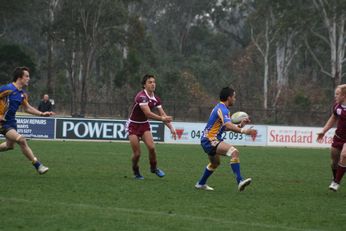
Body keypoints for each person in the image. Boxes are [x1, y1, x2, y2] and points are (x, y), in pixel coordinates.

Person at [195, 87, 257, 191]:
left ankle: (201, 183)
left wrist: (240, 126)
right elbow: (228, 125)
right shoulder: (223, 109)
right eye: (234, 97)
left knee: (215, 163)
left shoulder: (219, 108)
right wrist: (244, 131)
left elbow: (223, 128)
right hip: (210, 140)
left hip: (207, 139)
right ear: (229, 98)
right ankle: (240, 181)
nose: (235, 99)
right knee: (234, 152)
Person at [0, 67, 54, 174]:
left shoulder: (22, 94)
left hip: (11, 122)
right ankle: (38, 165)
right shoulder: (7, 88)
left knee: (9, 146)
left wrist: (42, 114)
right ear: (20, 77)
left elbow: (27, 108)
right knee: (21, 140)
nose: (29, 78)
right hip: (2, 122)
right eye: (27, 76)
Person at [126, 74, 176, 179]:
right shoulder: (141, 97)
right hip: (133, 125)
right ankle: (136, 171)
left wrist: (171, 128)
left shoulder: (156, 99)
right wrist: (162, 119)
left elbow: (163, 115)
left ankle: (154, 168)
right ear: (144, 85)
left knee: (152, 148)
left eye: (154, 82)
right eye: (150, 82)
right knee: (137, 154)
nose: (153, 84)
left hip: (144, 125)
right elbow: (148, 113)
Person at [317, 84, 346, 191]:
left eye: (337, 94)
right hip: (338, 137)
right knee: (334, 162)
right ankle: (335, 176)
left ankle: (336, 182)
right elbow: (333, 118)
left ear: (344, 95)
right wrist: (323, 131)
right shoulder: (337, 107)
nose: (335, 96)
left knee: (344, 155)